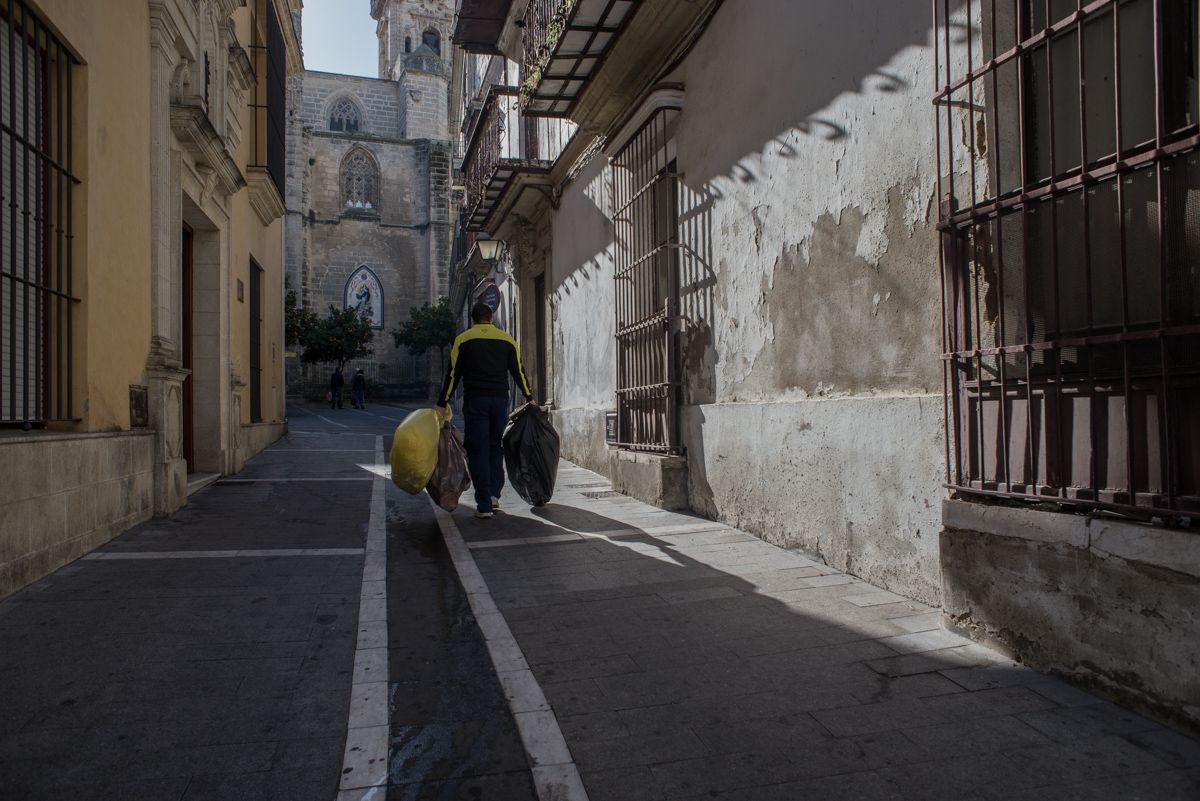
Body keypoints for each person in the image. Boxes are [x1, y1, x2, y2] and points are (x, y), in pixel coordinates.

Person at [437, 301, 534, 519]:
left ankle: (483, 505)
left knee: (477, 449)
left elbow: (453, 375)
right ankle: (493, 495)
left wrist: (442, 402)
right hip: (500, 401)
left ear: (473, 319)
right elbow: (519, 371)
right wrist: (529, 397)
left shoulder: (463, 340)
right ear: (491, 317)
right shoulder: (507, 339)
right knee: (495, 445)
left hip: (476, 401)